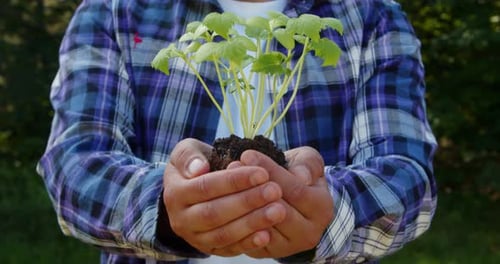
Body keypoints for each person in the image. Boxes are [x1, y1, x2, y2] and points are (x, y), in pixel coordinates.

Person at [37, 0, 438, 263]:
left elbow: (406, 173)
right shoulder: (113, 10)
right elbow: (73, 160)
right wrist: (162, 207)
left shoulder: (372, 17)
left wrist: (330, 211)